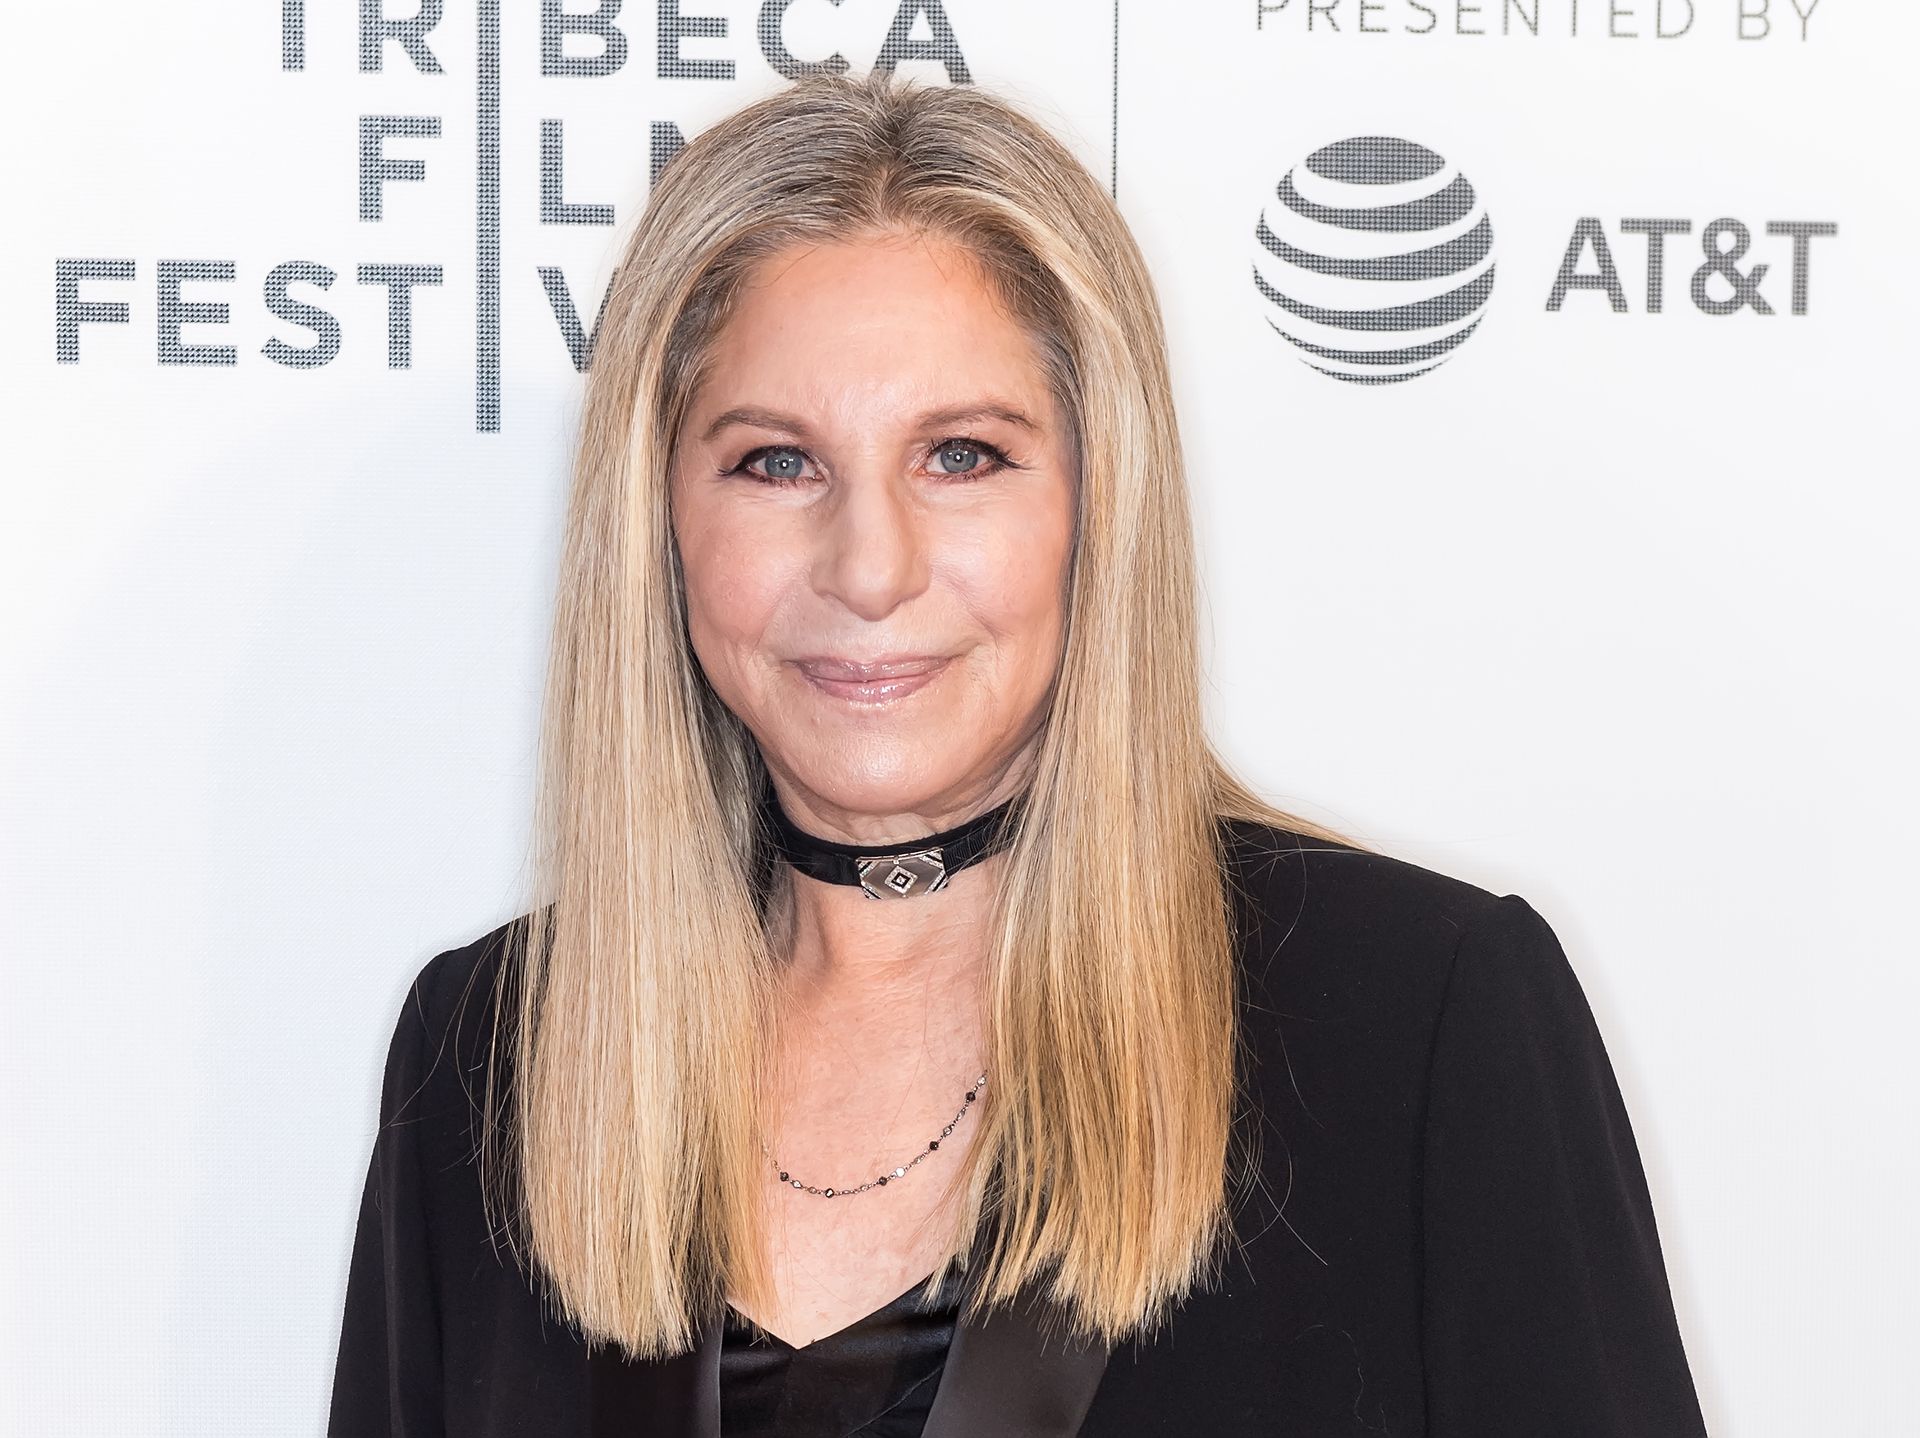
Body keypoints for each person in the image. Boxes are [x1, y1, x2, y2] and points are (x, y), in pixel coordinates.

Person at [326, 70, 1709, 1437]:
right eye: (776, 463)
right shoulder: (494, 1054)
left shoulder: (1418, 1018)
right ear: (659, 518)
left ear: (1098, 502)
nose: (870, 568)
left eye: (963, 456)